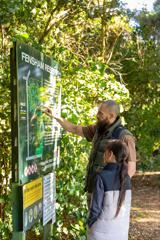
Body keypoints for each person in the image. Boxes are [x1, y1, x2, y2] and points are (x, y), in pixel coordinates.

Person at [44, 100, 136, 208]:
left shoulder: (124, 136)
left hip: (108, 195)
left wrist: (112, 193)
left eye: (101, 114)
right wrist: (54, 115)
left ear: (111, 116)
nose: (97, 115)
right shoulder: (98, 129)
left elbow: (131, 169)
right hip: (93, 191)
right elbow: (74, 129)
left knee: (104, 224)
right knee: (92, 224)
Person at [87, 140, 131, 240]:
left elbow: (95, 209)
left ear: (110, 154)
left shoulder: (101, 177)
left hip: (101, 233)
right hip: (121, 232)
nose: (103, 155)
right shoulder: (127, 178)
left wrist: (90, 224)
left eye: (105, 152)